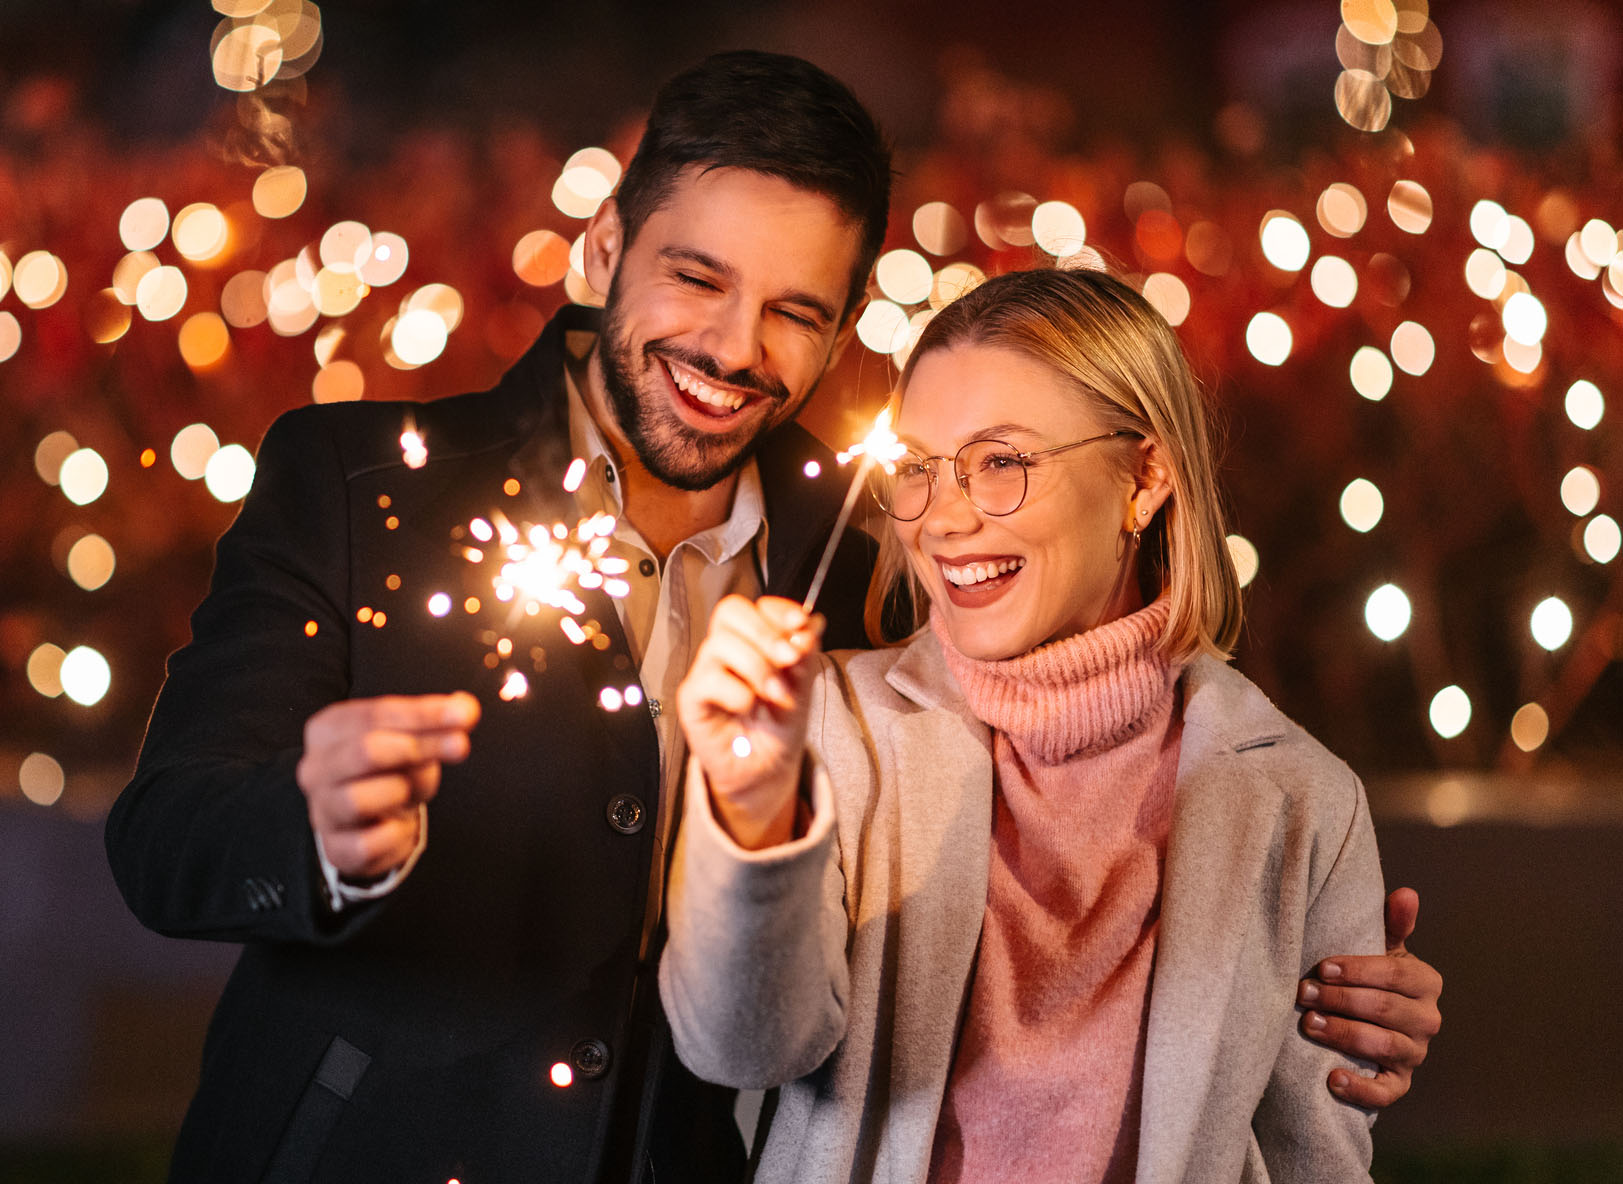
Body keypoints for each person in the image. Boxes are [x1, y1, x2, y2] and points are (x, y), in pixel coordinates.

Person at [106, 50, 1435, 1184]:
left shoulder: (873, 546)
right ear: (603, 251)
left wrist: (1306, 981)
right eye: (695, 279)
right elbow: (165, 839)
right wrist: (317, 833)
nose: (736, 348)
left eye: (794, 310)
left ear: (845, 325)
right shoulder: (355, 486)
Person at [665, 264, 1437, 1182]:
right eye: (916, 466)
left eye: (1000, 461)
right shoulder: (832, 729)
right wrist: (754, 815)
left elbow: (1318, 1158)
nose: (942, 520)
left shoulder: (1303, 800)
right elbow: (741, 1050)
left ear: (1144, 475)